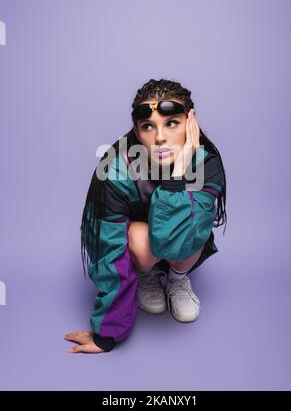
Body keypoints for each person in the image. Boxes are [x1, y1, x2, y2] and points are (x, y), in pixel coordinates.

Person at [64, 78, 227, 353]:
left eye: (171, 123)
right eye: (148, 127)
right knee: (141, 239)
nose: (159, 137)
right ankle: (147, 277)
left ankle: (177, 280)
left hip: (183, 243)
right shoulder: (115, 167)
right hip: (141, 248)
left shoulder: (206, 162)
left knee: (191, 222)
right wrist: (108, 334)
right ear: (138, 132)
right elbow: (110, 251)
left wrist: (178, 176)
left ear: (190, 122)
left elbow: (190, 231)